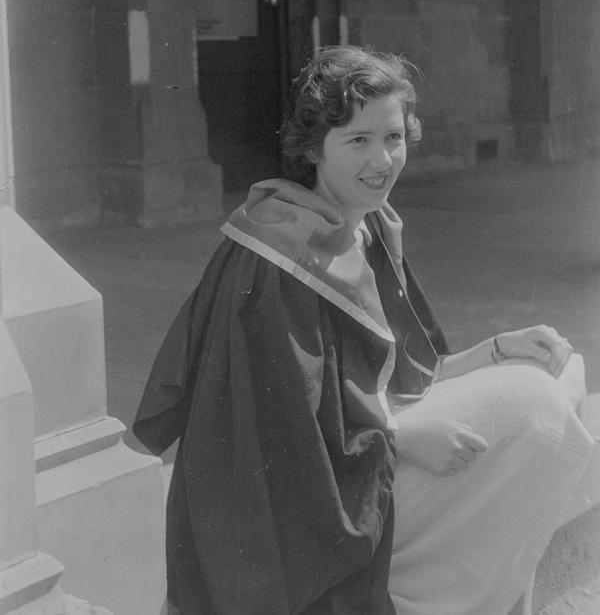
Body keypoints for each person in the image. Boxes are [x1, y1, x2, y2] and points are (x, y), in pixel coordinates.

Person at [133, 46, 594, 615]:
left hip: (361, 453)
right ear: (313, 148)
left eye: (393, 137)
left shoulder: (364, 225)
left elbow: (400, 374)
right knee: (536, 407)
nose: (382, 160)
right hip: (300, 522)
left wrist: (499, 348)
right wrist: (401, 440)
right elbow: (276, 437)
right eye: (358, 140)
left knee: (557, 370)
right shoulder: (277, 254)